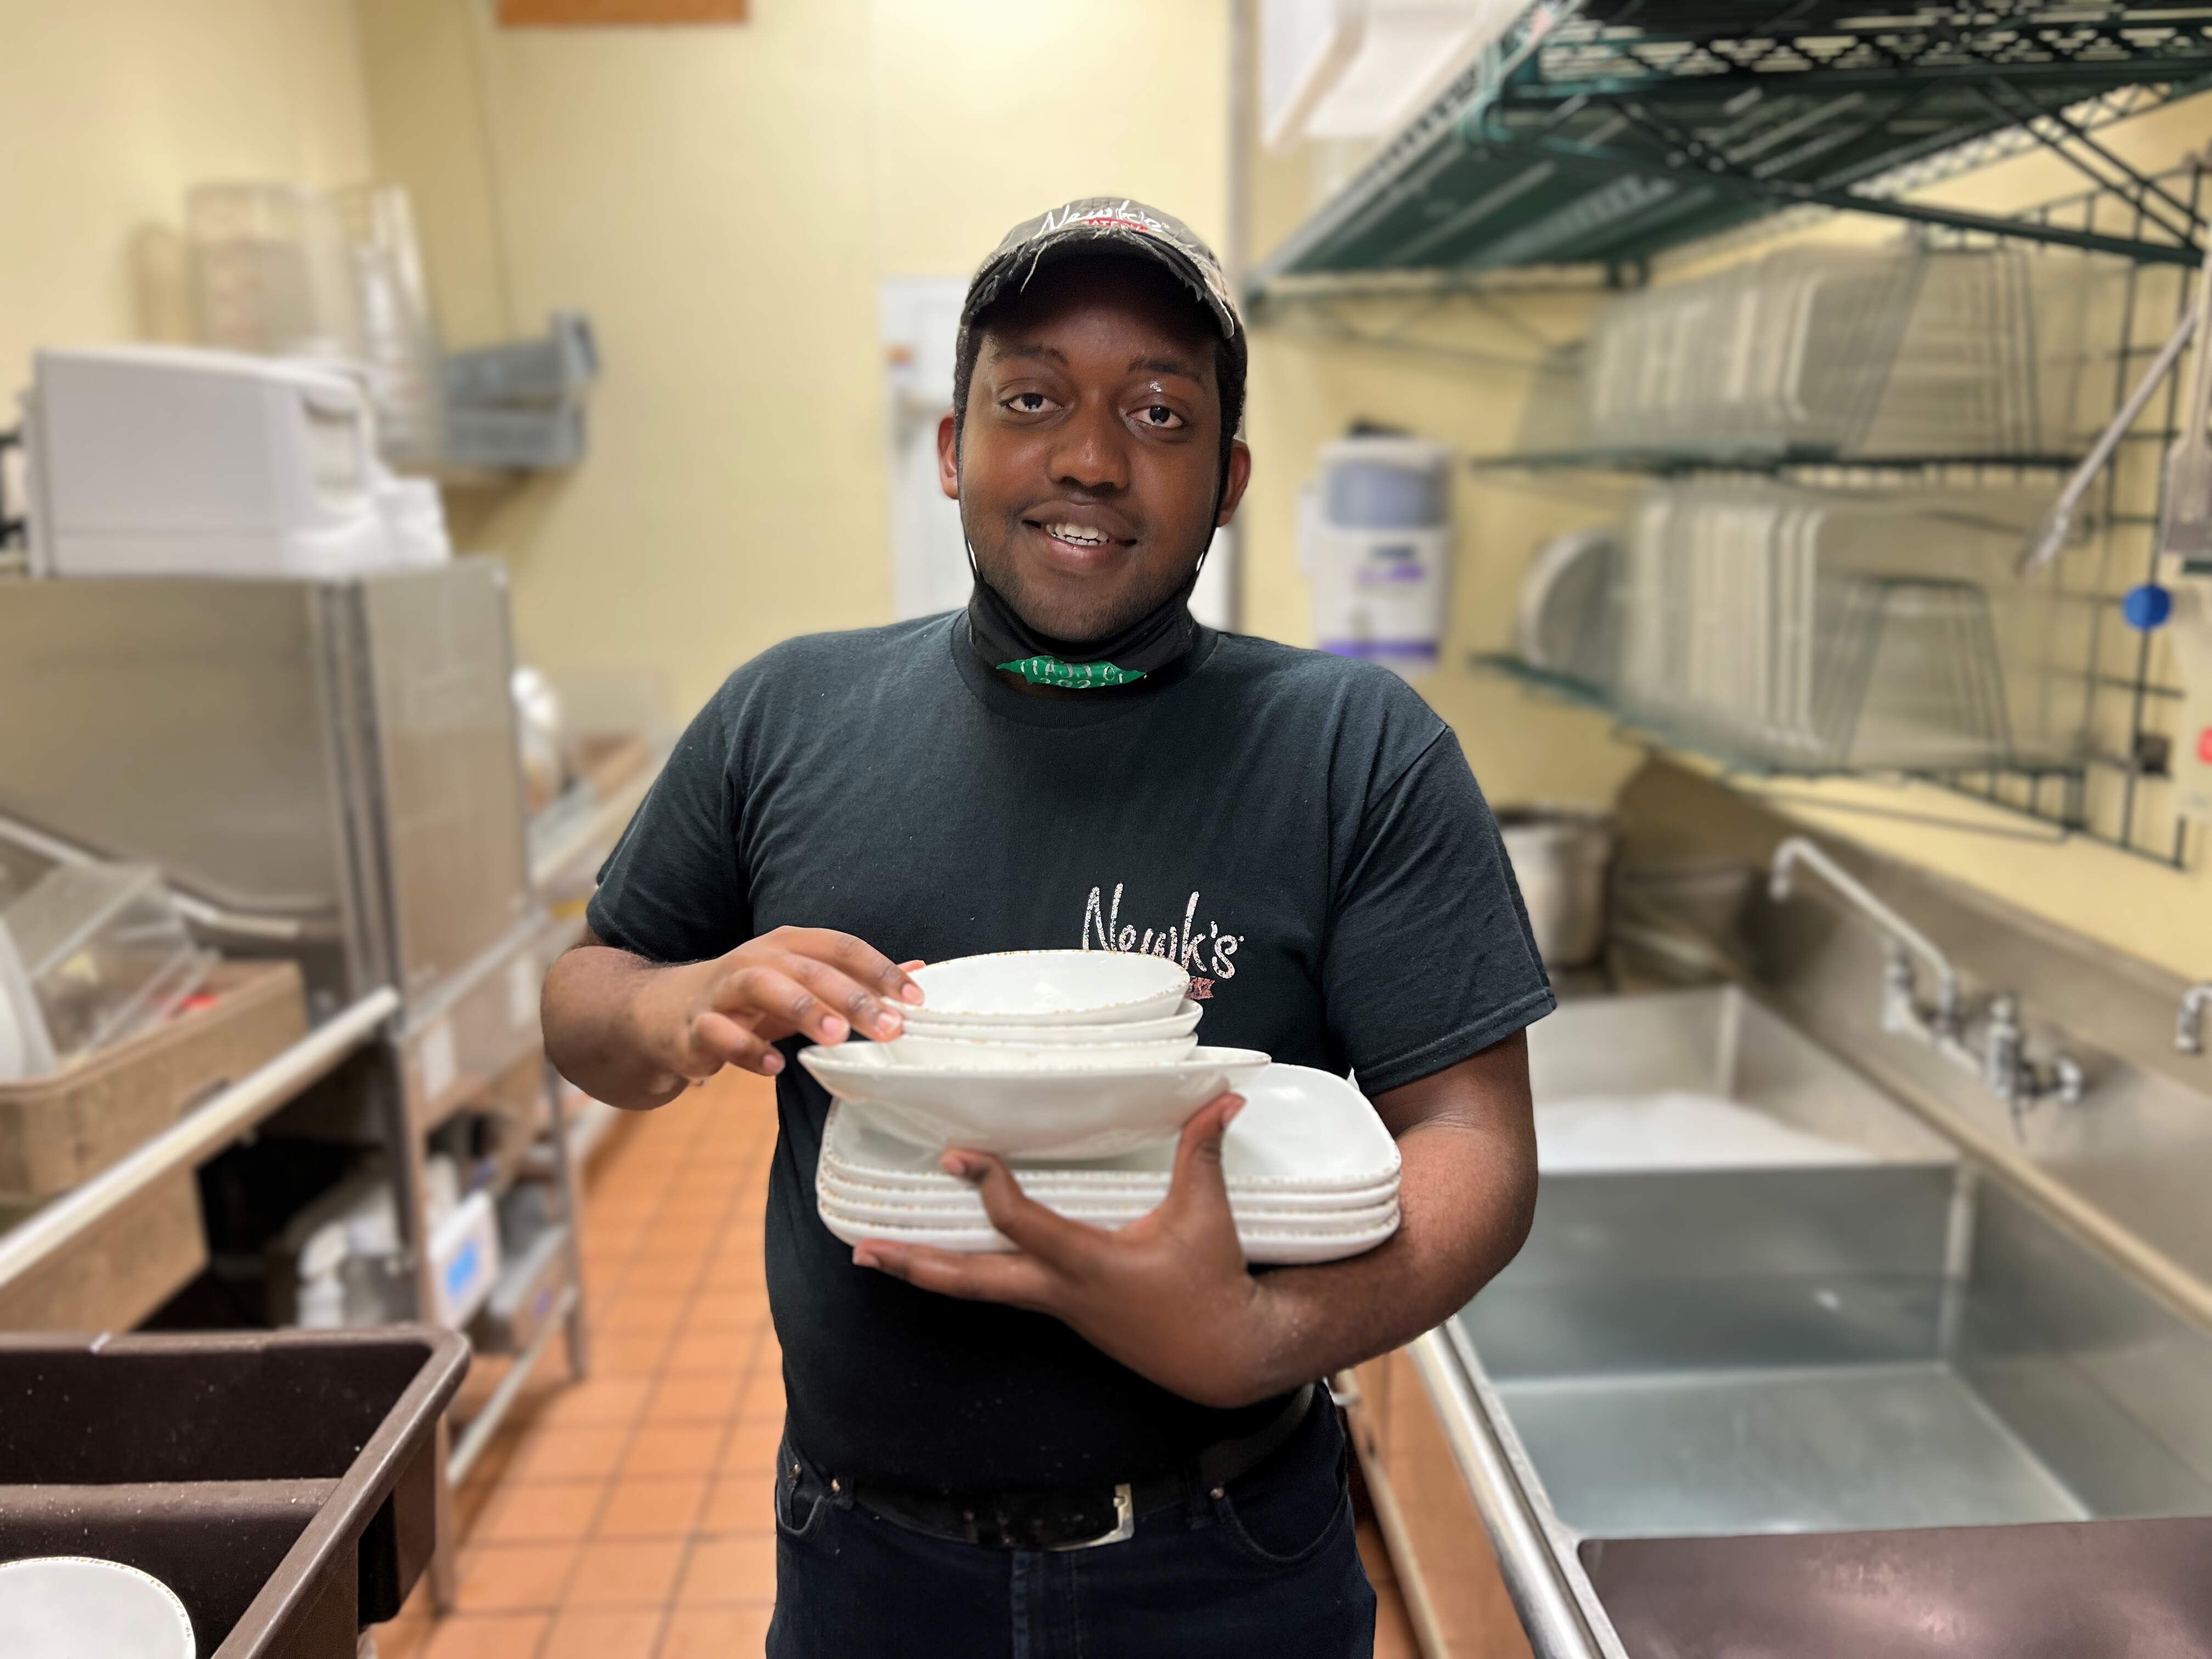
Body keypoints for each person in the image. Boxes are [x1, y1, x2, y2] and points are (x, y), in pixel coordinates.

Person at [542, 197, 1551, 1656]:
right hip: (865, 1563)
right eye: (1032, 399)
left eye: (1160, 410)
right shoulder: (789, 714)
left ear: (1228, 480)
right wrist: (678, 1002)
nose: (1091, 454)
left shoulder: (1354, 750)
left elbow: (1478, 1145)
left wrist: (1257, 1341)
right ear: (952, 446)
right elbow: (587, 1005)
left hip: (1228, 1560)